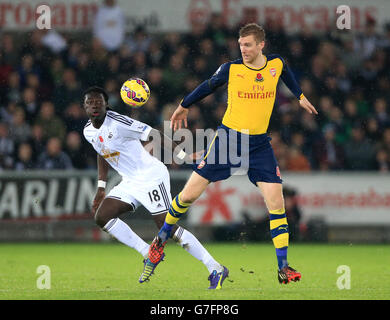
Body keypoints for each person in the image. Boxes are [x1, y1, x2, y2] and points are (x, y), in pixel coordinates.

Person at [141, 23, 318, 286]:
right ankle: (159, 241)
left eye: (248, 45)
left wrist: (300, 96)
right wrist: (183, 106)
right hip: (228, 141)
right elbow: (207, 86)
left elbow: (287, 75)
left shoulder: (276, 64)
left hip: (259, 146)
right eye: (241, 45)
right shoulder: (231, 69)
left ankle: (283, 268)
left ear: (261, 45)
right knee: (188, 195)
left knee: (277, 203)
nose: (243, 50)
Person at [82, 86, 227, 289]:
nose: (94, 106)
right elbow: (102, 150)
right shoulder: (88, 131)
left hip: (151, 176)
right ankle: (147, 252)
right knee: (102, 216)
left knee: (166, 226)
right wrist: (101, 187)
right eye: (90, 102)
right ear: (85, 107)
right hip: (130, 181)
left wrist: (183, 155)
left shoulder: (119, 123)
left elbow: (154, 134)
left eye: (98, 102)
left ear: (106, 105)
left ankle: (216, 268)